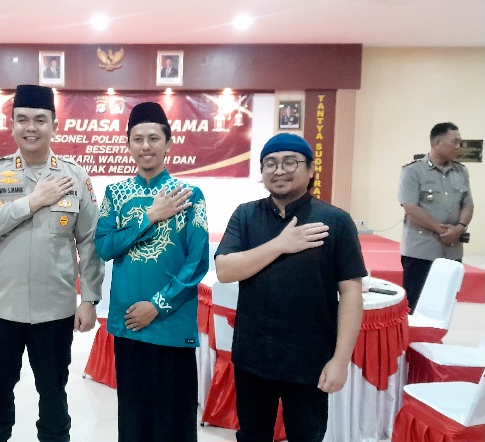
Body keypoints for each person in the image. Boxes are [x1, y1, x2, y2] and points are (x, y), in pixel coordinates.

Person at [0, 84, 103, 442]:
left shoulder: (75, 177)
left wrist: (89, 299)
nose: (31, 127)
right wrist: (31, 202)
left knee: (54, 395)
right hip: (1, 309)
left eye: (40, 120)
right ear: (12, 125)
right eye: (23, 119)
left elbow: (90, 241)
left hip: (54, 310)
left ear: (55, 126)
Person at [215, 133, 365, 442]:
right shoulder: (246, 215)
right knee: (252, 435)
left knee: (306, 436)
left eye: (290, 162)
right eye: (270, 163)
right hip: (253, 356)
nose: (279, 170)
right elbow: (225, 270)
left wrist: (340, 361)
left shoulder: (335, 221)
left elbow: (351, 292)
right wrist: (281, 244)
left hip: (310, 358)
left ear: (310, 170)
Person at [94, 102, 209, 442]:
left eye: (154, 138)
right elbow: (104, 247)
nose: (146, 146)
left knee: (174, 422)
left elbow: (197, 262)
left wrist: (158, 305)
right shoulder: (116, 194)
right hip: (129, 323)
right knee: (134, 419)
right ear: (128, 144)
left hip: (171, 324)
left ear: (168, 143)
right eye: (138, 139)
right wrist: (149, 217)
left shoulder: (190, 195)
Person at [399, 122, 473, 312]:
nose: (458, 147)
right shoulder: (413, 170)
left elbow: (468, 204)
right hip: (421, 251)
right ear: (438, 142)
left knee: (444, 305)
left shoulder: (461, 171)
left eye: (460, 142)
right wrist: (441, 230)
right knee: (414, 304)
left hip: (452, 251)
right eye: (454, 142)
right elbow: (410, 206)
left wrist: (460, 227)